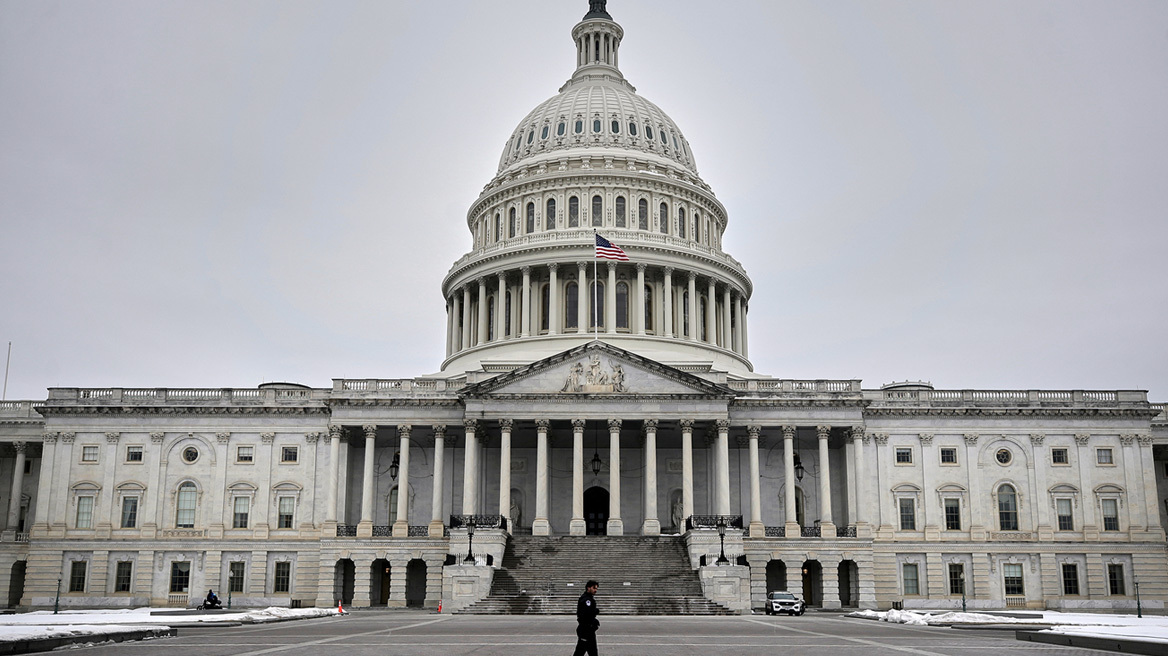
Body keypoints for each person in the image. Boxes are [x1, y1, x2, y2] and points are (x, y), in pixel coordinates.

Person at [572, 580, 600, 656]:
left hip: (587, 630)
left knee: (584, 651)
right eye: (594, 588)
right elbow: (586, 614)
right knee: (583, 651)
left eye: (596, 588)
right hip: (586, 630)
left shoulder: (588, 598)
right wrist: (595, 613)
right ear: (588, 588)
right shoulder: (586, 600)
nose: (595, 590)